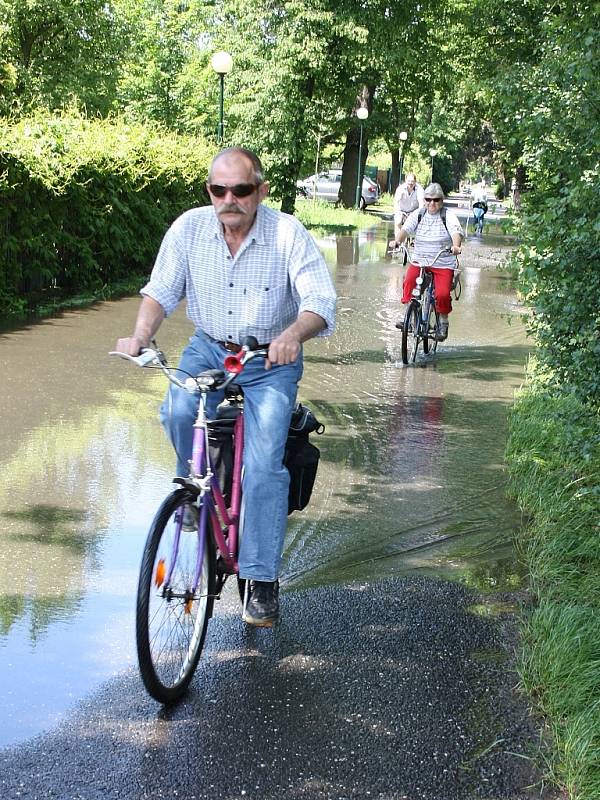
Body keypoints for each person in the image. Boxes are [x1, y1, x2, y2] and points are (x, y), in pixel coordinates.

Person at [115, 147, 337, 626]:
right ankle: (195, 492)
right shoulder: (189, 229)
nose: (229, 199)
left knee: (261, 467)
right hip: (210, 347)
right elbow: (161, 291)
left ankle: (259, 579)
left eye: (240, 190)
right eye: (220, 189)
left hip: (269, 359)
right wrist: (140, 335)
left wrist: (293, 335)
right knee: (177, 410)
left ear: (260, 190)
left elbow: (320, 300)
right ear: (209, 191)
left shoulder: (286, 234)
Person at [395, 182, 463, 340]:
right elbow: (406, 229)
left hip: (442, 262)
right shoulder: (418, 214)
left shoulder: (448, 215)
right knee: (409, 282)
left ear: (442, 201)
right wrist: (397, 241)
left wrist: (456, 246)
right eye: (428, 199)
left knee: (442, 294)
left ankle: (443, 322)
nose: (432, 203)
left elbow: (455, 231)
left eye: (436, 200)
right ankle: (409, 317)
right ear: (424, 200)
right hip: (420, 261)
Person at [389, 173, 425, 249]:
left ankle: (415, 241)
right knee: (398, 222)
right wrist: (397, 212)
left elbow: (421, 203)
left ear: (415, 182)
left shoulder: (419, 189)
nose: (410, 183)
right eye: (409, 181)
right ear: (405, 181)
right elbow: (396, 201)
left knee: (419, 223)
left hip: (414, 211)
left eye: (412, 181)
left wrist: (419, 214)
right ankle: (397, 242)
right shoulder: (400, 188)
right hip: (401, 210)